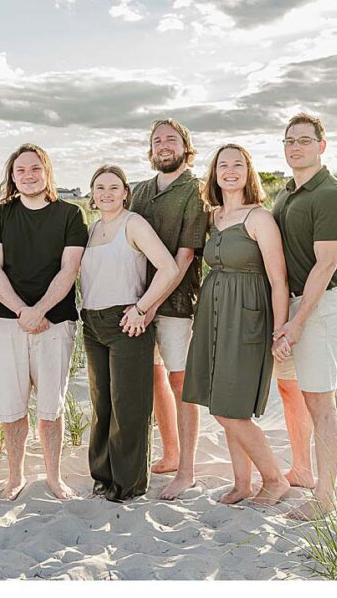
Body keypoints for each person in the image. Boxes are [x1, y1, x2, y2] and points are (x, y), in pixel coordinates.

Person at [181, 144, 292, 505]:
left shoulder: (258, 218)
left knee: (231, 407)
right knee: (220, 402)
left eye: (238, 165)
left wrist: (280, 329)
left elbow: (279, 280)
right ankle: (242, 483)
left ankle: (274, 480)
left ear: (249, 172)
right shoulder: (212, 218)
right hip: (213, 315)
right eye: (222, 165)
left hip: (247, 317)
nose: (230, 171)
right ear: (214, 173)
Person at [0, 144, 88, 500]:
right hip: (8, 322)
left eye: (34, 169)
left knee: (50, 408)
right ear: (12, 176)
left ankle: (54, 478)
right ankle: (15, 477)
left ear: (47, 171)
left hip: (55, 323)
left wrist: (39, 310)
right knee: (11, 407)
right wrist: (22, 312)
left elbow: (69, 269)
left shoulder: (70, 215)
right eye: (20, 170)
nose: (28, 176)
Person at [271, 112, 337, 520]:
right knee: (291, 391)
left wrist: (298, 321)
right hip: (288, 306)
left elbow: (325, 266)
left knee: (321, 402)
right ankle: (301, 469)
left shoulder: (333, 196)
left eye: (304, 141)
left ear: (321, 146)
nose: (295, 147)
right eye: (289, 141)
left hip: (316, 308)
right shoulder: (287, 194)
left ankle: (324, 498)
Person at [80, 165, 178, 502]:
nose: (106, 193)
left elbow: (169, 268)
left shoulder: (133, 224)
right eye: (99, 187)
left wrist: (142, 308)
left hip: (126, 323)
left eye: (113, 187)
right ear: (92, 194)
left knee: (129, 405)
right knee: (102, 403)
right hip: (92, 324)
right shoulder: (91, 230)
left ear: (125, 192)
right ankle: (103, 475)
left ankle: (129, 484)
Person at [129, 118, 208, 500]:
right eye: (157, 140)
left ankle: (188, 469)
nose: (163, 145)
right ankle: (170, 452)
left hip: (175, 303)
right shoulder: (140, 191)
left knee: (180, 382)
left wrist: (151, 304)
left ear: (185, 147)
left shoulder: (195, 190)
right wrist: (139, 305)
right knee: (155, 377)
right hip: (136, 302)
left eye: (171, 140)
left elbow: (185, 256)